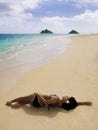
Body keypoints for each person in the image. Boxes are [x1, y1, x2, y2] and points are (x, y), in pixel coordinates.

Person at [6, 93, 92, 111]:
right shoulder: (61, 105)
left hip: (38, 100)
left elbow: (46, 103)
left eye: (66, 97)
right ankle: (16, 105)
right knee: (25, 101)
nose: (66, 97)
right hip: (38, 104)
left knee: (24, 97)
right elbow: (76, 103)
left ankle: (11, 101)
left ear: (64, 99)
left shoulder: (57, 99)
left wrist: (38, 94)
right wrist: (85, 103)